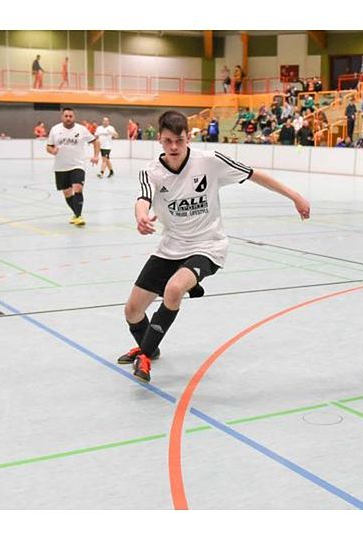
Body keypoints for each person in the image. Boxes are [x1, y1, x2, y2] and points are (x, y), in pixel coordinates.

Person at [119, 110, 311, 382]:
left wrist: (295, 196)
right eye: (168, 141)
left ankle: (145, 356)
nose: (174, 147)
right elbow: (143, 198)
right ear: (159, 140)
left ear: (189, 138)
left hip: (207, 245)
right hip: (171, 246)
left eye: (180, 140)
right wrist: (140, 215)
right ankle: (151, 345)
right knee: (132, 311)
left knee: (173, 290)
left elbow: (254, 174)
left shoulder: (209, 161)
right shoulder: (151, 171)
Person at [46, 107, 99, 227]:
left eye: (70, 116)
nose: (68, 118)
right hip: (60, 167)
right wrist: (52, 151)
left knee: (78, 188)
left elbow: (96, 142)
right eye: (66, 116)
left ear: (74, 117)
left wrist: (96, 156)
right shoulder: (55, 130)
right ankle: (76, 214)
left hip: (77, 165)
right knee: (67, 193)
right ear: (62, 117)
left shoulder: (81, 129)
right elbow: (48, 147)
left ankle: (79, 217)